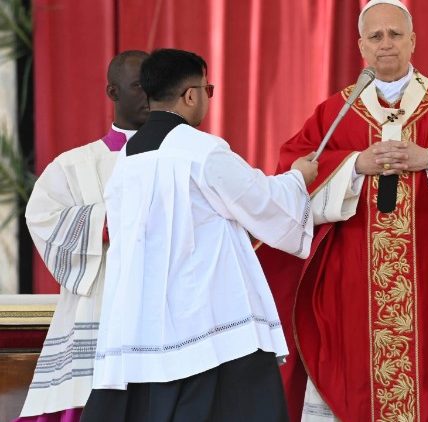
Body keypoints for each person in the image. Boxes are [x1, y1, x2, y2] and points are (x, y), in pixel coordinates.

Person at [257, 0, 428, 420]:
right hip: (351, 283)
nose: (385, 44)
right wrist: (355, 164)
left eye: (395, 34)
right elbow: (294, 178)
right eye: (375, 36)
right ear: (361, 46)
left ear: (413, 41)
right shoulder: (334, 112)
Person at [80, 48, 318, 421]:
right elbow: (262, 202)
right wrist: (297, 179)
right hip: (207, 324)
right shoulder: (201, 151)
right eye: (208, 89)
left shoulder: (126, 159)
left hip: (145, 326)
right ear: (191, 95)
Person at [18, 50, 149, 422]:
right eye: (138, 86)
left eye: (154, 86)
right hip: (99, 304)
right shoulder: (73, 165)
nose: (148, 95)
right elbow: (41, 216)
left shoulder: (182, 159)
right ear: (113, 92)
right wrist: (103, 223)